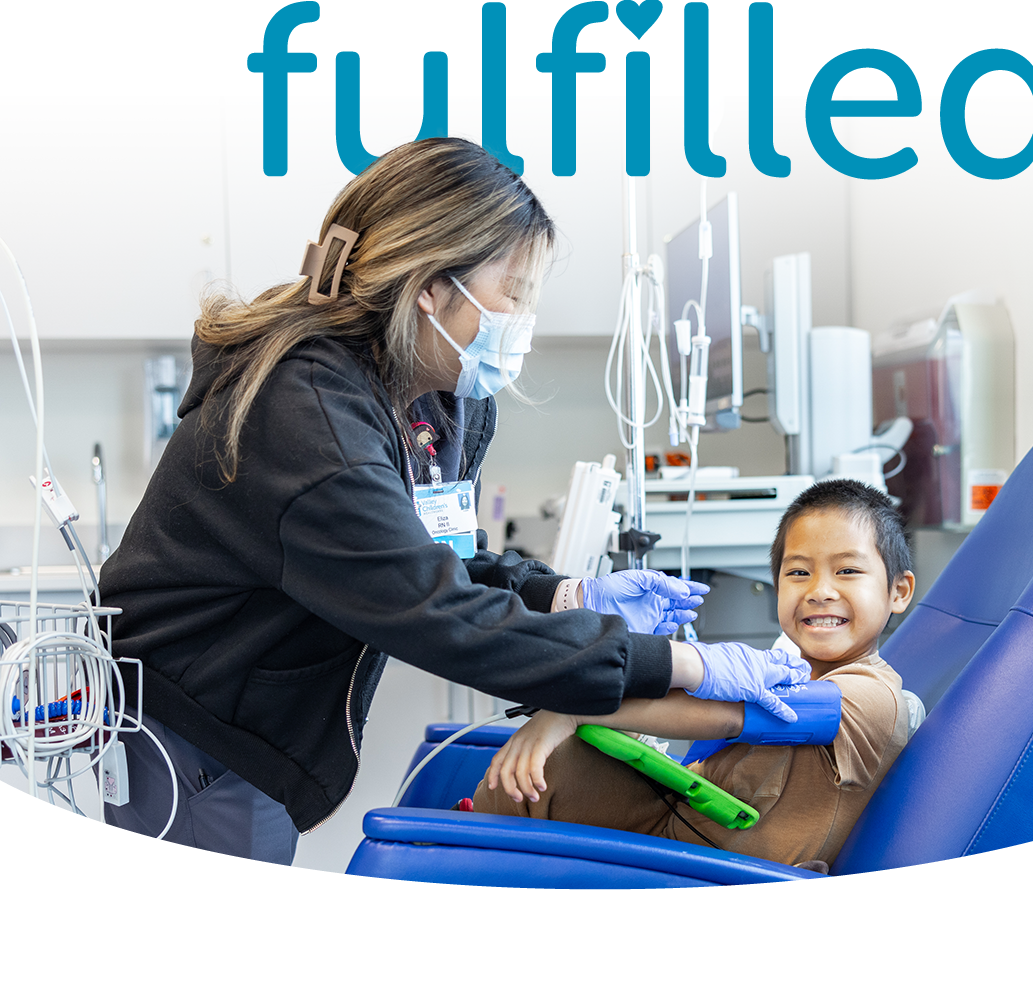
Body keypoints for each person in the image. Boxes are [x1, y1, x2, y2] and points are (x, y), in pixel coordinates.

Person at [98, 139, 809, 863]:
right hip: (197, 733)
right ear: (432, 286)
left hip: (251, 721)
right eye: (516, 291)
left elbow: (441, 559)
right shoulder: (304, 411)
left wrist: (568, 594)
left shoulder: (428, 397)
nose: (524, 317)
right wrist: (684, 664)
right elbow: (435, 609)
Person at [475, 478, 917, 871]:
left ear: (898, 591)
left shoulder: (871, 697)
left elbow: (727, 714)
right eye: (798, 572)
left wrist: (573, 712)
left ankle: (454, 862)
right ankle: (459, 852)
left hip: (709, 875)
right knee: (545, 770)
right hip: (672, 834)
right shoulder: (788, 668)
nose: (820, 591)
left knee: (548, 762)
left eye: (848, 571)